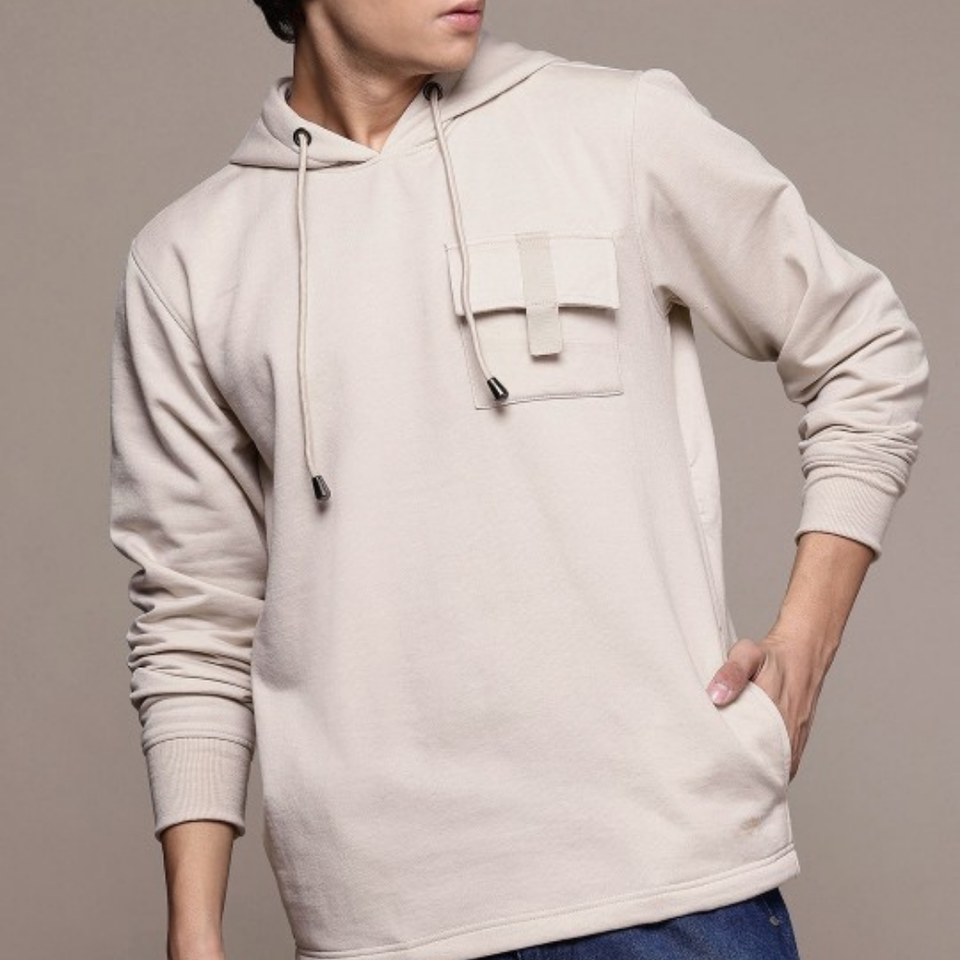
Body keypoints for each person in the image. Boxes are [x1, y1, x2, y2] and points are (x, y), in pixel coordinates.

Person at [107, 3, 930, 960]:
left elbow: (865, 347)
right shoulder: (190, 259)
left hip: (669, 892)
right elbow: (193, 614)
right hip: (377, 925)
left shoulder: (618, 128)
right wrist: (195, 930)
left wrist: (805, 645)